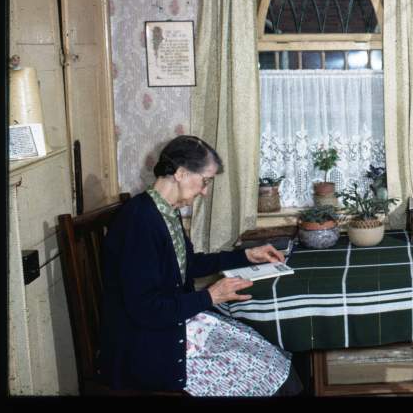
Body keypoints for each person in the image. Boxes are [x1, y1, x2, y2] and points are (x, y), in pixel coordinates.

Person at [97, 135, 302, 396]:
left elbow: (188, 265)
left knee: (271, 356)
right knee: (265, 370)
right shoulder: (139, 222)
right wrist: (210, 296)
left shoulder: (163, 211)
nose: (205, 190)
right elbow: (146, 309)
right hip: (145, 348)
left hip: (168, 328)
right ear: (181, 173)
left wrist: (246, 256)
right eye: (205, 181)